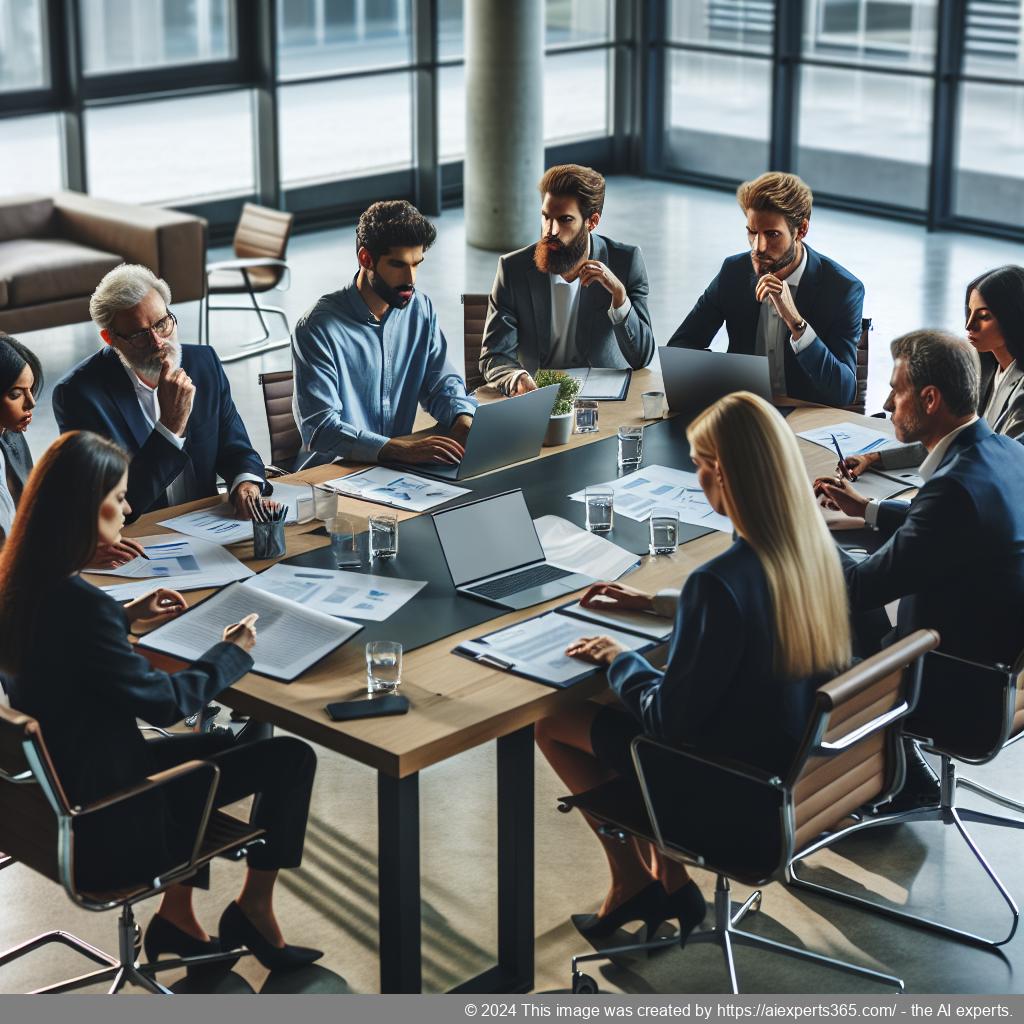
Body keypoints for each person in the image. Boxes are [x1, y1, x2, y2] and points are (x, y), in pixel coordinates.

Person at [0, 431, 321, 972]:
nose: (129, 508)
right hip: (112, 821)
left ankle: (179, 919)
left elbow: (61, 655)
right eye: (120, 498)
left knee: (216, 742)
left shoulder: (20, 583)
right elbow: (168, 704)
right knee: (291, 758)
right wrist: (231, 652)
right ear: (84, 507)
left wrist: (123, 620)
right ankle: (253, 910)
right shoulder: (81, 606)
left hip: (56, 802)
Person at [536, 392, 851, 941]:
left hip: (731, 797)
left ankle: (633, 876)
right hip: (793, 778)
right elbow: (754, 606)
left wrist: (620, 657)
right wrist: (659, 603)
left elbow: (667, 722)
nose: (698, 477)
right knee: (613, 704)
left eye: (701, 465)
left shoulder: (717, 582)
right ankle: (667, 879)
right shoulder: (813, 549)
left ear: (725, 475)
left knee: (555, 722)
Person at [815, 331, 1024, 802]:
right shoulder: (1009, 454)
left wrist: (797, 527)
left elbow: (859, 589)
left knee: (803, 642)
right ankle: (898, 768)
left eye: (897, 390)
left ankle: (886, 781)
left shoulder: (950, 490)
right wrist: (867, 510)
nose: (887, 403)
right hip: (1001, 669)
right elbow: (965, 521)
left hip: (948, 681)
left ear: (930, 399)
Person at [52, 264, 269, 523]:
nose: (158, 342)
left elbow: (237, 450)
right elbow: (112, 507)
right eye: (140, 335)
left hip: (210, 526)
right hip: (142, 538)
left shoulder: (204, 363)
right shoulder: (79, 396)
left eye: (162, 323)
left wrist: (246, 484)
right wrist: (170, 427)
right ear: (110, 339)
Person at [292, 200, 477, 466]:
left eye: (417, 264)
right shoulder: (316, 329)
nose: (411, 279)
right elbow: (321, 429)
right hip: (334, 479)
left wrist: (463, 422)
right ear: (366, 258)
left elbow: (440, 384)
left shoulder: (420, 309)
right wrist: (401, 450)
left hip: (397, 473)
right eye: (398, 265)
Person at [667, 172, 863, 407]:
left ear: (801, 230)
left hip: (806, 424)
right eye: (752, 232)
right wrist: (732, 382)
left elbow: (843, 392)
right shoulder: (734, 272)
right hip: (744, 418)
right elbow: (680, 348)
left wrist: (797, 324)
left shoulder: (843, 289)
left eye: (772, 234)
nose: (758, 247)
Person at [479, 164, 656, 395]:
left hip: (605, 405)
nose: (550, 231)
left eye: (565, 220)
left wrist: (620, 298)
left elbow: (642, 357)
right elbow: (494, 355)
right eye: (545, 217)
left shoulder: (625, 262)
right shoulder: (513, 269)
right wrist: (517, 377)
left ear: (592, 221)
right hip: (537, 400)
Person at [843, 266, 1024, 477]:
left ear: (1013, 318)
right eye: (969, 311)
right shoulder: (983, 365)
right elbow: (948, 435)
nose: (968, 325)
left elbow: (1002, 465)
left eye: (983, 316)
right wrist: (873, 458)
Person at [0, 334, 142, 568]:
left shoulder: (10, 434)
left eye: (30, 389)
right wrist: (77, 558)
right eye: (15, 394)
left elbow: (31, 522)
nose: (31, 403)